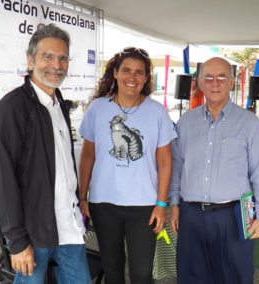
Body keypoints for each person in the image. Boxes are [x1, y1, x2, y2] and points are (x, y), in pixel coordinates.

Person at [0, 24, 90, 283]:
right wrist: (17, 241)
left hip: (68, 226)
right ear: (30, 60)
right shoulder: (10, 110)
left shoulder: (59, 105)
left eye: (63, 57)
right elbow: (3, 181)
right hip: (33, 233)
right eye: (48, 56)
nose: (57, 64)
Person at [169, 57, 259, 284]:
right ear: (199, 82)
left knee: (234, 277)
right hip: (191, 215)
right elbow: (177, 166)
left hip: (234, 216)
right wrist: (174, 204)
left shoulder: (249, 123)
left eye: (222, 77)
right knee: (192, 276)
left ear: (231, 83)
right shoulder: (186, 123)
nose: (215, 83)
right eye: (208, 77)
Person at [78, 47, 177, 284]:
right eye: (126, 70)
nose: (132, 78)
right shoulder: (98, 108)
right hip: (103, 204)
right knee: (112, 269)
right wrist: (82, 197)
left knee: (141, 273)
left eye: (139, 72)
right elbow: (87, 156)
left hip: (144, 206)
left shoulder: (157, 112)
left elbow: (165, 162)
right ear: (115, 72)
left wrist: (162, 204)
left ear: (145, 78)